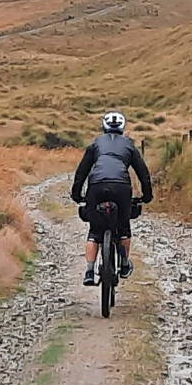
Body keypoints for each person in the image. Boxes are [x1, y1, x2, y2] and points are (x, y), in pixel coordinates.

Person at [71, 111, 152, 286]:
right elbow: (143, 173)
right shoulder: (129, 145)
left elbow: (82, 172)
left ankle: (89, 272)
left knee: (95, 231)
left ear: (104, 126)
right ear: (123, 127)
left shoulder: (95, 144)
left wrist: (76, 194)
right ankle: (124, 265)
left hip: (97, 186)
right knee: (123, 228)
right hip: (121, 187)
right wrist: (147, 195)